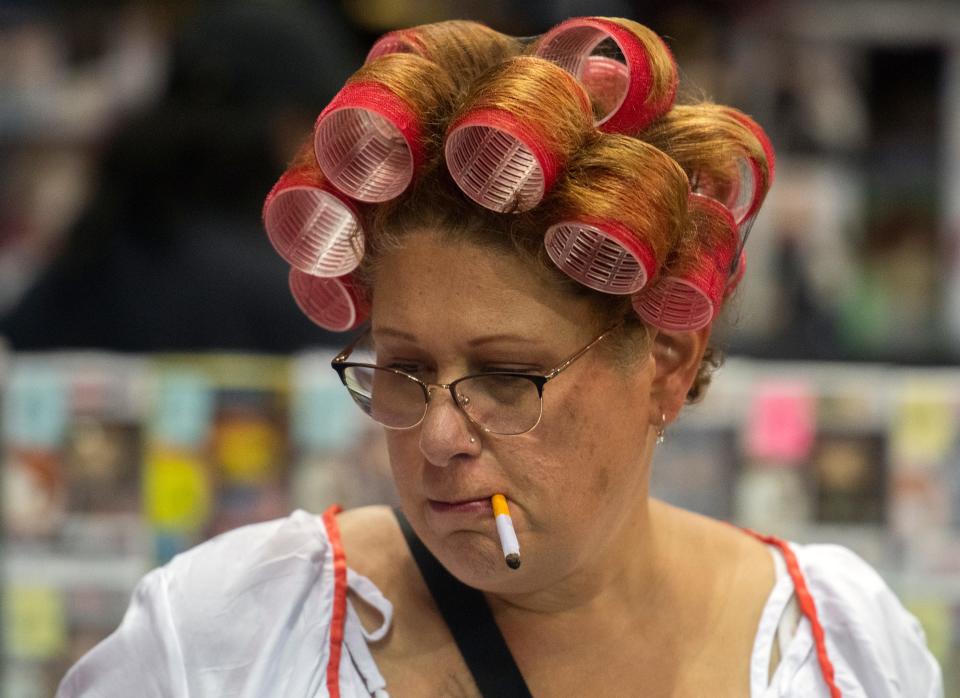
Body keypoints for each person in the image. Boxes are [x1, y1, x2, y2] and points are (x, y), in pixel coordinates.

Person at [58, 18, 943, 698]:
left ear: (667, 362)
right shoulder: (227, 637)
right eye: (403, 367)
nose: (439, 434)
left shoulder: (840, 647)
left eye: (506, 378)